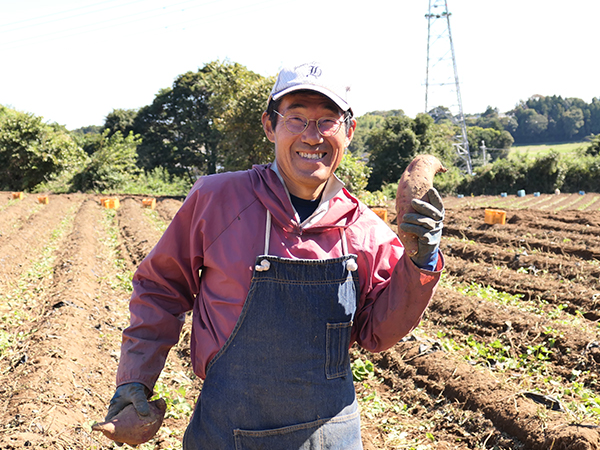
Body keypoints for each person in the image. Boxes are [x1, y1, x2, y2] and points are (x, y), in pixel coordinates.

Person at [104, 61, 445, 449]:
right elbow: (160, 288)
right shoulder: (217, 200)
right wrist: (136, 378)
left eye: (327, 121)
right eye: (296, 119)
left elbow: (376, 333)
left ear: (348, 131)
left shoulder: (365, 230)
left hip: (329, 436)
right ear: (270, 126)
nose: (312, 136)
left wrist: (421, 260)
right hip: (226, 433)